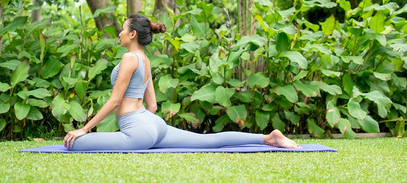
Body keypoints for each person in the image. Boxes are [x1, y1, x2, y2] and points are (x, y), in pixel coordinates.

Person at [64, 14, 299, 150]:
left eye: (123, 29)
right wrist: (141, 121)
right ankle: (268, 138)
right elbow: (153, 105)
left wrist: (85, 129)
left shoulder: (128, 58)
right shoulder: (145, 60)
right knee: (208, 141)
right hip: (154, 125)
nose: (120, 34)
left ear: (133, 34)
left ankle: (270, 139)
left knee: (72, 143)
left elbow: (115, 100)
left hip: (139, 130)